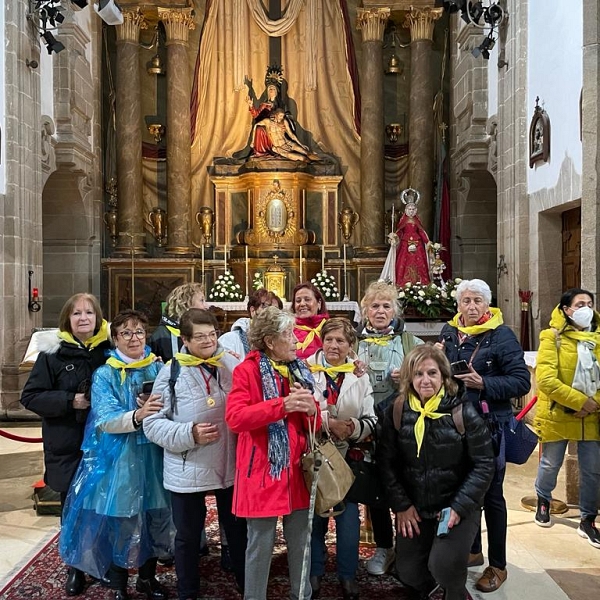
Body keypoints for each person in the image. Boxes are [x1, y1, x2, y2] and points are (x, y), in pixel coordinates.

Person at [59, 310, 172, 600]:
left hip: (154, 455)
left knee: (154, 515)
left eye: (139, 332)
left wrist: (157, 407)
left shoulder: (158, 369)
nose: (134, 338)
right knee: (122, 519)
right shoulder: (105, 374)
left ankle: (147, 578)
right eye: (126, 333)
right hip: (119, 458)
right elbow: (105, 418)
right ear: (115, 338)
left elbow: (172, 407)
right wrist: (137, 414)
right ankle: (119, 583)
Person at [144, 309, 248, 600]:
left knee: (238, 531)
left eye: (212, 335)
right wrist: (189, 434)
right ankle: (188, 591)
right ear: (185, 340)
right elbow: (152, 424)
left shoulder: (230, 363)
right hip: (188, 465)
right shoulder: (171, 372)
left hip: (229, 464)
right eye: (199, 336)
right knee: (188, 537)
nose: (207, 341)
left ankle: (247, 585)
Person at [378, 344, 495, 600]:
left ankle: (455, 591)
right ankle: (425, 584)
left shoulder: (461, 411)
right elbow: (387, 463)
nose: (425, 380)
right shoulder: (397, 411)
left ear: (443, 376)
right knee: (407, 572)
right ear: (409, 378)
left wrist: (458, 507)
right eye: (418, 374)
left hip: (455, 506)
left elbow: (485, 463)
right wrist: (402, 505)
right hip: (417, 507)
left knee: (444, 565)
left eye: (432, 373)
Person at [439, 279, 530, 593]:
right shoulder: (449, 333)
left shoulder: (501, 335)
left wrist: (484, 385)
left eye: (478, 301)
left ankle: (498, 565)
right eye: (466, 301)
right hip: (456, 425)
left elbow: (521, 382)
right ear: (458, 305)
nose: (472, 307)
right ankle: (473, 550)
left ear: (487, 305)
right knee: (464, 490)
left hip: (491, 426)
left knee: (491, 496)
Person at [225, 306, 320, 600]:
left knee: (301, 542)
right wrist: (282, 406)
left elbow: (314, 420)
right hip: (263, 470)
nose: (296, 340)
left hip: (297, 469)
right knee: (260, 545)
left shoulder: (299, 368)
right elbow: (235, 418)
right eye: (288, 334)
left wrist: (311, 409)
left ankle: (300, 596)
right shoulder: (247, 370)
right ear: (269, 341)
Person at [21, 293, 111, 597]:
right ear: (67, 320)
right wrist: (69, 400)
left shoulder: (109, 350)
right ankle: (75, 567)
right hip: (67, 442)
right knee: (72, 508)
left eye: (89, 312)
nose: (83, 318)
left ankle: (102, 561)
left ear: (98, 317)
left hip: (103, 442)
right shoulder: (53, 353)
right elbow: (30, 396)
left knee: (103, 505)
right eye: (77, 314)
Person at [355, 281, 423, 576]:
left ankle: (408, 550)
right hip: (368, 427)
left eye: (386, 306)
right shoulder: (353, 343)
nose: (380, 311)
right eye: (374, 306)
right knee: (378, 489)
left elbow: (432, 384)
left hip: (402, 428)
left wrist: (409, 378)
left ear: (395, 310)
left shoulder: (411, 343)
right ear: (364, 310)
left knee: (406, 487)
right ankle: (384, 545)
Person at [306, 318, 377, 600]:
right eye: (329, 339)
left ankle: (347, 575)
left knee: (348, 521)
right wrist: (326, 422)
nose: (334, 346)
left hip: (348, 455)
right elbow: (299, 411)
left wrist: (352, 428)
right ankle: (315, 571)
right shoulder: (306, 369)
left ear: (351, 346)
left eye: (341, 341)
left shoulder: (360, 376)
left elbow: (371, 419)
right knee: (315, 519)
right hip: (315, 453)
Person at [533, 288, 600, 546]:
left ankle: (588, 518)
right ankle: (543, 499)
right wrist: (580, 402)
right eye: (579, 304)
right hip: (559, 412)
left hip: (592, 416)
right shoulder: (552, 337)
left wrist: (592, 404)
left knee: (592, 470)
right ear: (566, 310)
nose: (585, 308)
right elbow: (547, 380)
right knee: (551, 463)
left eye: (590, 303)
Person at [219, 288, 282, 360]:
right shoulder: (229, 340)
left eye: (276, 311)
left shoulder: (282, 339)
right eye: (267, 309)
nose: (272, 315)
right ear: (253, 311)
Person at [150, 282, 206, 361]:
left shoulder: (202, 329)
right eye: (201, 300)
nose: (206, 306)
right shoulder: (161, 335)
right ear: (186, 304)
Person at [394, 189, 431, 286]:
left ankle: (421, 282)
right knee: (403, 263)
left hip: (417, 244)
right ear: (406, 210)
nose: (411, 211)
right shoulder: (403, 221)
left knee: (419, 263)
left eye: (412, 209)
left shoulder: (417, 221)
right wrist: (394, 238)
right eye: (409, 209)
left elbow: (421, 232)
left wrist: (427, 242)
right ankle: (403, 283)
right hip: (405, 244)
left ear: (415, 210)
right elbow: (400, 232)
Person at [253, 108, 319, 162]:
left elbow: (291, 135)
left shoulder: (284, 122)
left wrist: (301, 144)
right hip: (279, 147)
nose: (282, 118)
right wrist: (252, 142)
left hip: (288, 142)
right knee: (302, 158)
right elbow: (256, 125)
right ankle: (310, 165)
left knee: (307, 152)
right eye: (280, 116)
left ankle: (320, 162)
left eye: (283, 116)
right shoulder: (267, 121)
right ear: (276, 115)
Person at [291, 282, 330, 360]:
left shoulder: (331, 327)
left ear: (319, 303)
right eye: (298, 301)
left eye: (307, 299)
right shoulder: (288, 330)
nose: (302, 304)